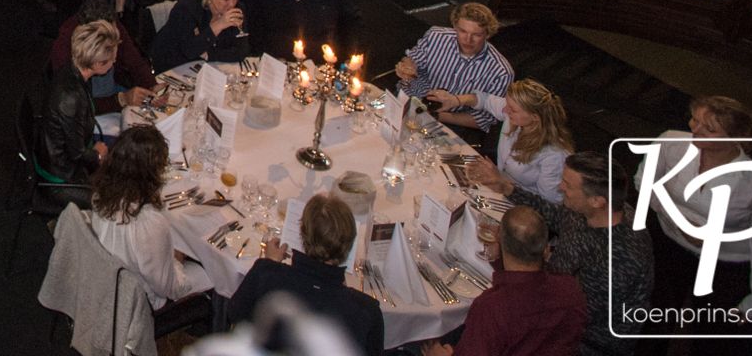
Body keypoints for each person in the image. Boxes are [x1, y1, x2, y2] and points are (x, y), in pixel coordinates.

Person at [640, 95, 752, 313]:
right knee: (656, 313)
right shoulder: (670, 143)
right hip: (667, 248)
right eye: (695, 120)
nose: (695, 130)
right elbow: (643, 181)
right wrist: (680, 222)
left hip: (723, 266)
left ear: (733, 139)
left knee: (710, 326)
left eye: (709, 129)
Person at [504, 151, 653, 356]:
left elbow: (570, 312)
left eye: (567, 184)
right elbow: (556, 216)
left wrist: (530, 262)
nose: (560, 187)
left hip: (583, 343)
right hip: (552, 299)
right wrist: (508, 189)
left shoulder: (618, 260)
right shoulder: (592, 210)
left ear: (597, 200)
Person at [230, 193, 383, 356]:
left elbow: (235, 315)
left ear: (303, 235)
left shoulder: (266, 274)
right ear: (349, 245)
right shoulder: (367, 311)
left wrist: (270, 263)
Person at [420, 207, 584, 356]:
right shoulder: (571, 290)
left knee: (423, 338)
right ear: (546, 249)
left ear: (499, 240)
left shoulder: (493, 307)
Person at [88, 125, 207, 316]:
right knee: (213, 275)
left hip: (108, 277)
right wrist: (177, 258)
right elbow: (169, 288)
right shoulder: (147, 222)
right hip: (139, 301)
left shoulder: (101, 192)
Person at [440, 78, 574, 203]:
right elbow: (483, 100)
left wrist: (503, 183)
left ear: (535, 117)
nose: (505, 110)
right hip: (498, 188)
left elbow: (549, 203)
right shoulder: (514, 115)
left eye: (513, 110)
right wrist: (455, 100)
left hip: (520, 204)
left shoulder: (554, 154)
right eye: (507, 104)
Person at [395, 2, 513, 131]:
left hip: (447, 120)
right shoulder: (436, 35)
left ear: (488, 34)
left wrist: (434, 115)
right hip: (407, 99)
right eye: (462, 31)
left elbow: (484, 120)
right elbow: (412, 60)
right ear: (455, 26)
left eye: (477, 35)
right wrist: (407, 67)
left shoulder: (501, 72)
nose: (468, 39)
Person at [35, 18, 118, 190]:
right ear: (97, 63)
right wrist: (97, 154)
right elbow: (77, 153)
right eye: (112, 59)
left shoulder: (74, 70)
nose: (114, 62)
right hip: (61, 174)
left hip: (65, 156)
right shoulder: (70, 96)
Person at [149, 0, 249, 69]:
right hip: (172, 63)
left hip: (206, 65)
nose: (232, 4)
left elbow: (241, 52)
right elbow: (189, 51)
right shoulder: (187, 9)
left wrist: (209, 54)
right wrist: (218, 25)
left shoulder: (237, 9)